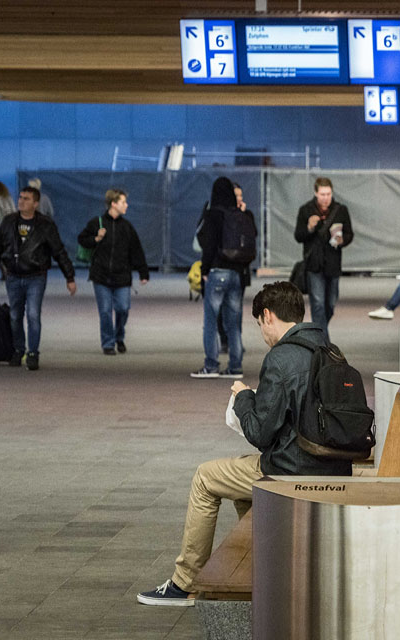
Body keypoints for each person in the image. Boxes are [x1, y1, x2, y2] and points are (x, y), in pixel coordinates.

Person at [138, 281, 352, 606]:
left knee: (206, 477)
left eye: (258, 325)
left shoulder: (281, 358)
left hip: (293, 468)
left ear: (268, 316)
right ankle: (262, 571)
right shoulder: (331, 350)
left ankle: (184, 583)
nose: (262, 333)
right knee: (244, 491)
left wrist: (244, 398)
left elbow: (259, 433)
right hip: (334, 465)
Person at [0, 186, 76, 370]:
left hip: (36, 277)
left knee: (33, 315)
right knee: (15, 316)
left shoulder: (45, 225)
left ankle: (33, 352)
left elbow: (59, 252)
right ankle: (18, 350)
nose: (21, 201)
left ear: (35, 203)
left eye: (26, 199)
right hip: (13, 276)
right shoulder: (8, 222)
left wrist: (69, 277)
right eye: (20, 198)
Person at [191, 177, 255, 379]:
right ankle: (235, 367)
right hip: (237, 273)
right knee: (234, 322)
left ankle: (211, 365)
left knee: (211, 321)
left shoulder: (213, 215)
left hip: (217, 272)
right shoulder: (240, 215)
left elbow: (208, 247)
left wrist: (205, 271)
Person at [77, 188, 149, 355]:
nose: (127, 205)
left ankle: (119, 336)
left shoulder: (127, 227)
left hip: (122, 275)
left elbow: (136, 250)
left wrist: (143, 272)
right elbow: (82, 240)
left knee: (123, 308)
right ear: (113, 204)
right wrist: (96, 238)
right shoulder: (97, 223)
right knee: (105, 311)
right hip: (101, 275)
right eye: (123, 202)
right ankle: (108, 343)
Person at [294, 177, 354, 341]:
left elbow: (349, 233)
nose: (325, 198)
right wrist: (309, 227)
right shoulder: (306, 210)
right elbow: (298, 236)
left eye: (328, 194)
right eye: (322, 194)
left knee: (331, 304)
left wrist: (342, 240)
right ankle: (323, 343)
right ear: (315, 193)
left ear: (332, 193)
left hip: (333, 263)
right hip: (314, 264)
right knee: (318, 304)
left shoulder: (340, 210)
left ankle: (317, 333)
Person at [217, 183, 256, 353]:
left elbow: (252, 236)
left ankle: (236, 341)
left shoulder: (247, 215)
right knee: (220, 307)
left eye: (240, 195)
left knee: (236, 308)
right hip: (222, 267)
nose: (239, 198)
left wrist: (242, 216)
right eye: (236, 195)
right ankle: (225, 339)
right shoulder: (220, 214)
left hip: (241, 269)